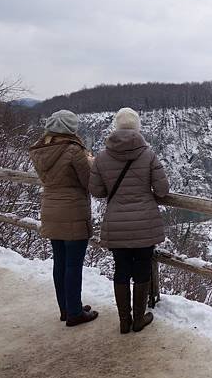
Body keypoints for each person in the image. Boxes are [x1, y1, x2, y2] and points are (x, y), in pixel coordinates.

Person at [89, 107, 169, 333]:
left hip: (116, 224)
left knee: (121, 269)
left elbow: (96, 190)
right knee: (142, 268)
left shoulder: (102, 157)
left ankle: (124, 320)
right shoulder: (148, 154)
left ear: (116, 126)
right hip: (144, 223)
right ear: (137, 128)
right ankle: (139, 319)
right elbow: (162, 189)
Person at [29, 110, 99, 326]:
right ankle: (75, 313)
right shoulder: (73, 150)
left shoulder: (40, 149)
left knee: (59, 262)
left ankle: (66, 308)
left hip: (50, 208)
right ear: (70, 128)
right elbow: (88, 182)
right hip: (73, 211)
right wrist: (90, 161)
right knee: (73, 264)